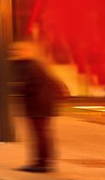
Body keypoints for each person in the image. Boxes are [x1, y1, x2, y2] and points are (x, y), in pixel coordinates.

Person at [12, 41, 65, 172]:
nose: (15, 54)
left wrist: (20, 89)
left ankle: (41, 163)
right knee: (42, 134)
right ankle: (43, 161)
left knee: (40, 134)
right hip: (42, 105)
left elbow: (32, 86)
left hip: (38, 106)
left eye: (18, 51)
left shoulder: (31, 66)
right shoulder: (35, 65)